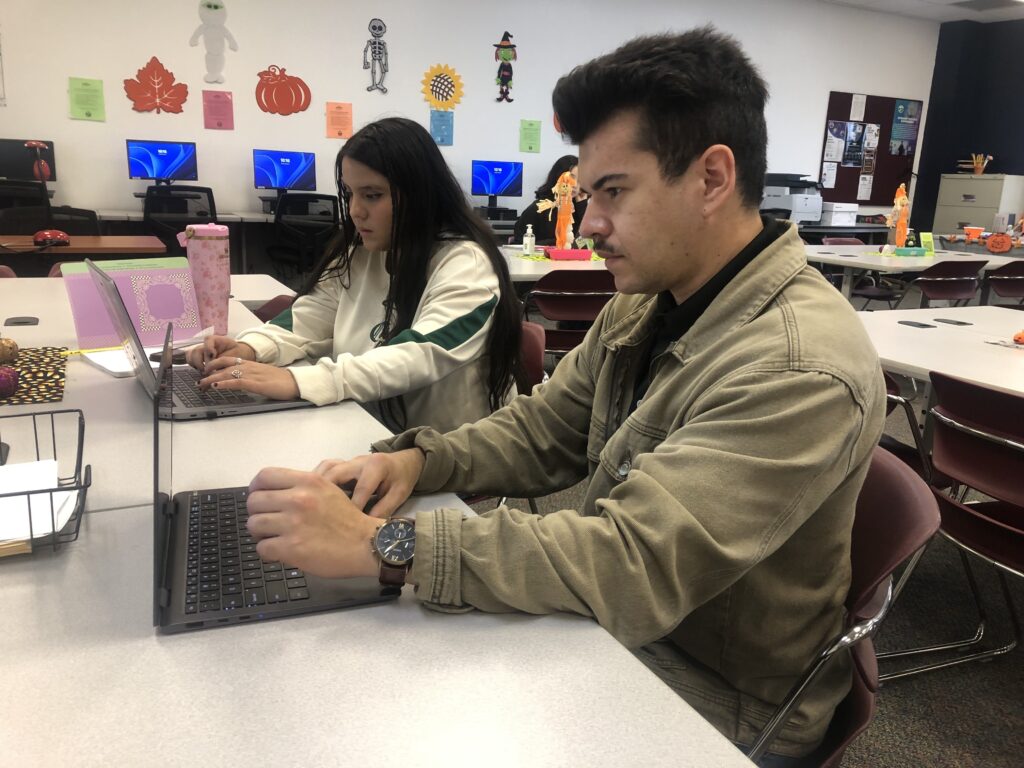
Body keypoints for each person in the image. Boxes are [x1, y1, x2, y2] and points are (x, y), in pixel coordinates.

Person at [242, 28, 886, 764]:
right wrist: (420, 464)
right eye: (588, 194)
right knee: (363, 667)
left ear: (712, 179)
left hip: (714, 692)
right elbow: (541, 430)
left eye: (613, 192)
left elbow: (631, 563)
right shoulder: (649, 298)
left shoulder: (798, 367)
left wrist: (386, 545)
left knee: (397, 712)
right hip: (625, 622)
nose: (589, 225)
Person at [186, 117, 522, 433]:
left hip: (439, 453)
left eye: (372, 195)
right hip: (363, 427)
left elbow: (422, 352)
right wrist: (249, 349)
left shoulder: (467, 264)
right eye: (350, 194)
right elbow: (308, 319)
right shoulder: (362, 253)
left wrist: (302, 381)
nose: (355, 210)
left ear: (422, 195)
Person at [512, 154, 589, 245]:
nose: (575, 185)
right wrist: (559, 243)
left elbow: (588, 244)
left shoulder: (580, 207)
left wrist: (582, 207)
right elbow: (519, 244)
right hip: (541, 258)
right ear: (558, 178)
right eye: (570, 178)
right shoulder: (540, 207)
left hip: (575, 259)